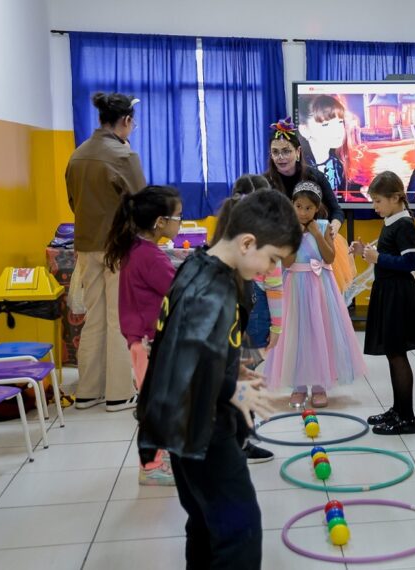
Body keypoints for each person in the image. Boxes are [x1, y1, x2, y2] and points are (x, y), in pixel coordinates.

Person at [137, 189, 302, 568]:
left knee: (204, 524)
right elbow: (189, 363)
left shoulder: (197, 265)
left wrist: (231, 366)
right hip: (203, 429)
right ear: (247, 243)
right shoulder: (213, 291)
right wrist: (233, 388)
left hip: (182, 426)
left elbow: (193, 342)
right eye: (271, 258)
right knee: (240, 531)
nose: (269, 270)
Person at [66, 92, 146, 411]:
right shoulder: (124, 155)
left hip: (87, 246)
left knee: (94, 318)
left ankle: (88, 391)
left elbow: (73, 202)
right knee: (118, 319)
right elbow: (142, 203)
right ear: (125, 120)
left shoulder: (78, 155)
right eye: (133, 123)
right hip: (118, 246)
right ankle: (118, 393)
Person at [105, 185, 182, 486]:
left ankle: (161, 455)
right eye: (178, 216)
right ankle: (151, 467)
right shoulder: (149, 256)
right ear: (160, 222)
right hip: (148, 343)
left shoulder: (139, 249)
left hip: (145, 341)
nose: (180, 222)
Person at [266, 181, 366, 408]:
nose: (303, 212)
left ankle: (320, 385)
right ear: (292, 205)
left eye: (308, 208)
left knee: (320, 333)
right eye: (298, 207)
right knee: (297, 334)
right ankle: (299, 386)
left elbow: (329, 258)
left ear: (317, 208)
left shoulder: (323, 226)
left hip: (320, 287)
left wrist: (316, 234)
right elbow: (287, 262)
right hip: (295, 287)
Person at [211, 174, 281, 464]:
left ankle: (237, 437)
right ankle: (239, 441)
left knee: (237, 375)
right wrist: (277, 326)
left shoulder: (224, 238)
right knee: (242, 378)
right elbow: (274, 284)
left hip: (233, 317)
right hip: (247, 315)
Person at [351, 172, 415, 435]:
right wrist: (365, 253)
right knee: (393, 354)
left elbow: (411, 262)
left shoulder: (404, 224)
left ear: (395, 198)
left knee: (397, 354)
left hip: (398, 295)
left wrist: (378, 258)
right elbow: (387, 256)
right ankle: (398, 409)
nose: (375, 206)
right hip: (387, 291)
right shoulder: (391, 220)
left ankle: (407, 418)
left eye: (378, 201)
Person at [265, 117, 355, 292]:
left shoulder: (315, 176)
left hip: (315, 246)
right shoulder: (265, 182)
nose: (281, 157)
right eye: (275, 152)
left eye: (286, 151)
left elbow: (336, 210)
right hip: (282, 247)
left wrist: (333, 227)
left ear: (298, 152)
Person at [298, 94, 362, 201]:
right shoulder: (300, 169)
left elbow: (342, 186)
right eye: (325, 124)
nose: (338, 129)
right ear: (304, 130)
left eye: (340, 122)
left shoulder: (336, 162)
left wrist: (362, 190)